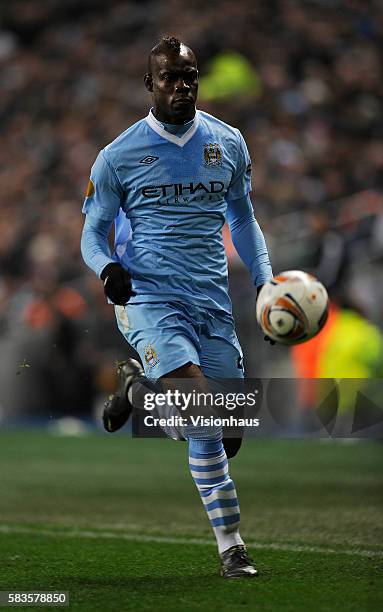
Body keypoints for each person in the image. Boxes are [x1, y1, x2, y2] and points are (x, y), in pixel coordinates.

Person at [81, 36, 272, 578]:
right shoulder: (118, 156)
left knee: (225, 433)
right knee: (206, 414)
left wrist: (266, 282)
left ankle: (139, 390)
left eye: (189, 76)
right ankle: (231, 547)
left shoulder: (228, 142)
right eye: (169, 77)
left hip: (210, 300)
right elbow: (92, 234)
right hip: (149, 298)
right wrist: (107, 268)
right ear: (150, 84)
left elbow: (242, 218)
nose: (181, 86)